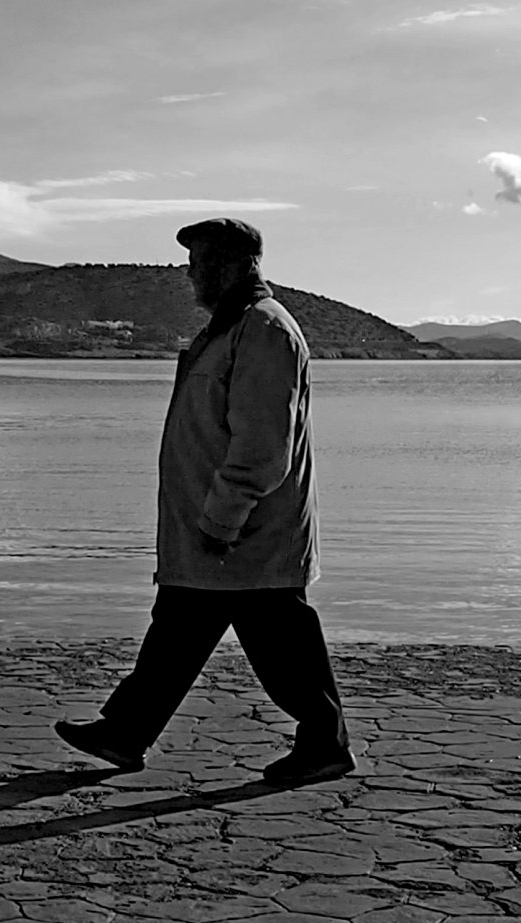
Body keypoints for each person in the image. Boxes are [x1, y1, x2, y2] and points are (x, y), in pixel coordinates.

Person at [55, 218, 354, 785]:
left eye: (200, 261)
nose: (190, 273)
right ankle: (125, 732)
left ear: (237, 264)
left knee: (278, 640)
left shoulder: (264, 330)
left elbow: (263, 445)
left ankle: (325, 743)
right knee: (181, 628)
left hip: (246, 531)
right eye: (191, 261)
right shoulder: (230, 328)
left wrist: (222, 518)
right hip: (218, 527)